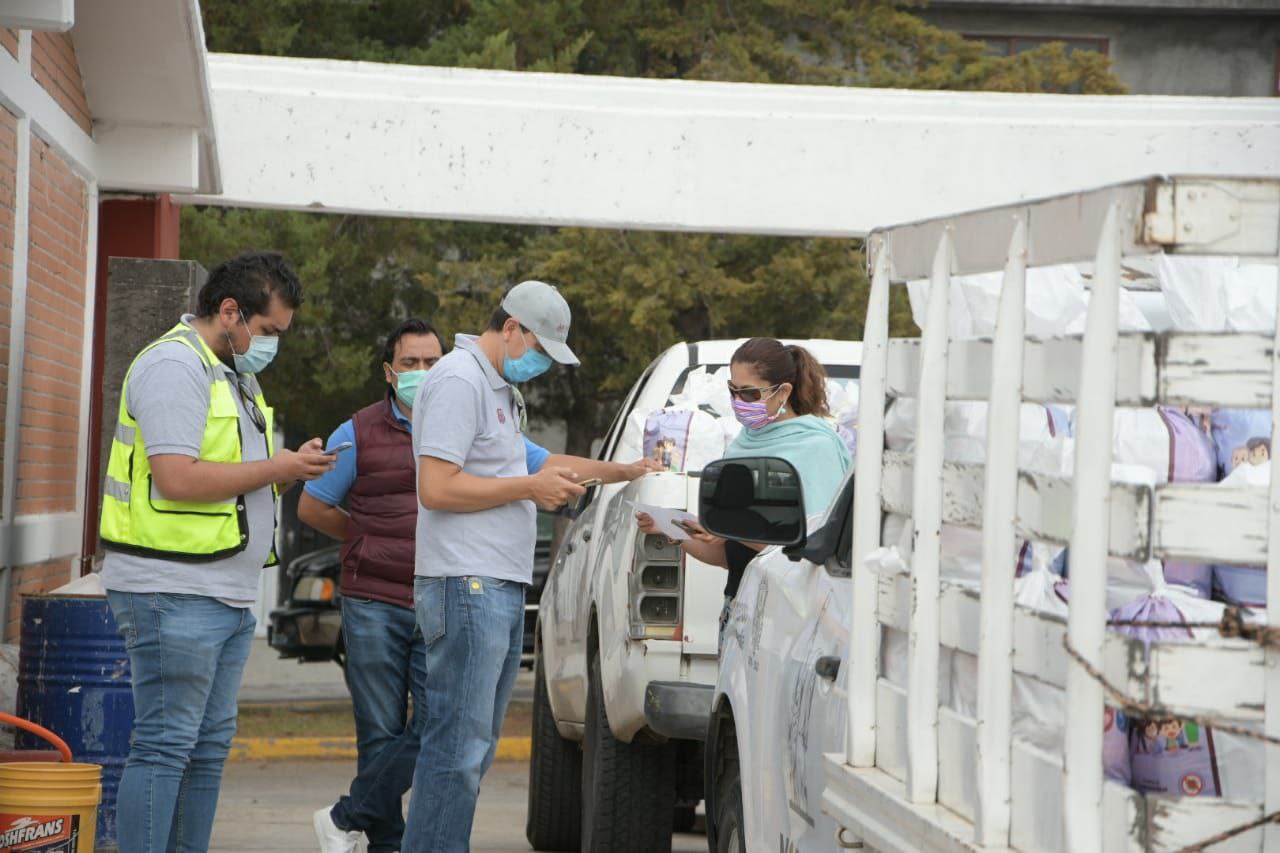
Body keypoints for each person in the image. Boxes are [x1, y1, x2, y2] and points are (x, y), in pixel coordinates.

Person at [402, 280, 659, 852]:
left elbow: (539, 461)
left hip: (490, 584)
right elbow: (437, 488)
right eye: (540, 350)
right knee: (457, 750)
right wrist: (528, 487)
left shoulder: (495, 389)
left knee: (471, 749)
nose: (542, 365)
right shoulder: (459, 380)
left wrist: (625, 471)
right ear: (511, 327)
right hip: (466, 583)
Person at [100, 251, 335, 853]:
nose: (272, 344)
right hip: (171, 590)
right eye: (268, 330)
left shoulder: (234, 374)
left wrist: (290, 469)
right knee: (165, 745)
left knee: (204, 749)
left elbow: (235, 483)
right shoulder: (176, 366)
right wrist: (276, 465)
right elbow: (177, 478)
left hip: (221, 592)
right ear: (230, 311)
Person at [300, 318, 443, 853]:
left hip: (438, 598)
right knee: (380, 731)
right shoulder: (356, 430)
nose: (422, 372)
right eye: (411, 363)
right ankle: (386, 845)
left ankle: (344, 817)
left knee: (435, 724)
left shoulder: (463, 425)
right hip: (374, 602)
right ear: (389, 371)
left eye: (432, 362)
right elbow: (312, 504)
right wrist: (364, 540)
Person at [638, 337, 852, 643]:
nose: (740, 402)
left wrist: (729, 530)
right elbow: (730, 557)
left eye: (750, 393)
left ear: (784, 391)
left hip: (792, 625)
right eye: (733, 391)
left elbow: (812, 553)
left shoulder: (816, 448)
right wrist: (673, 528)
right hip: (741, 612)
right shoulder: (740, 447)